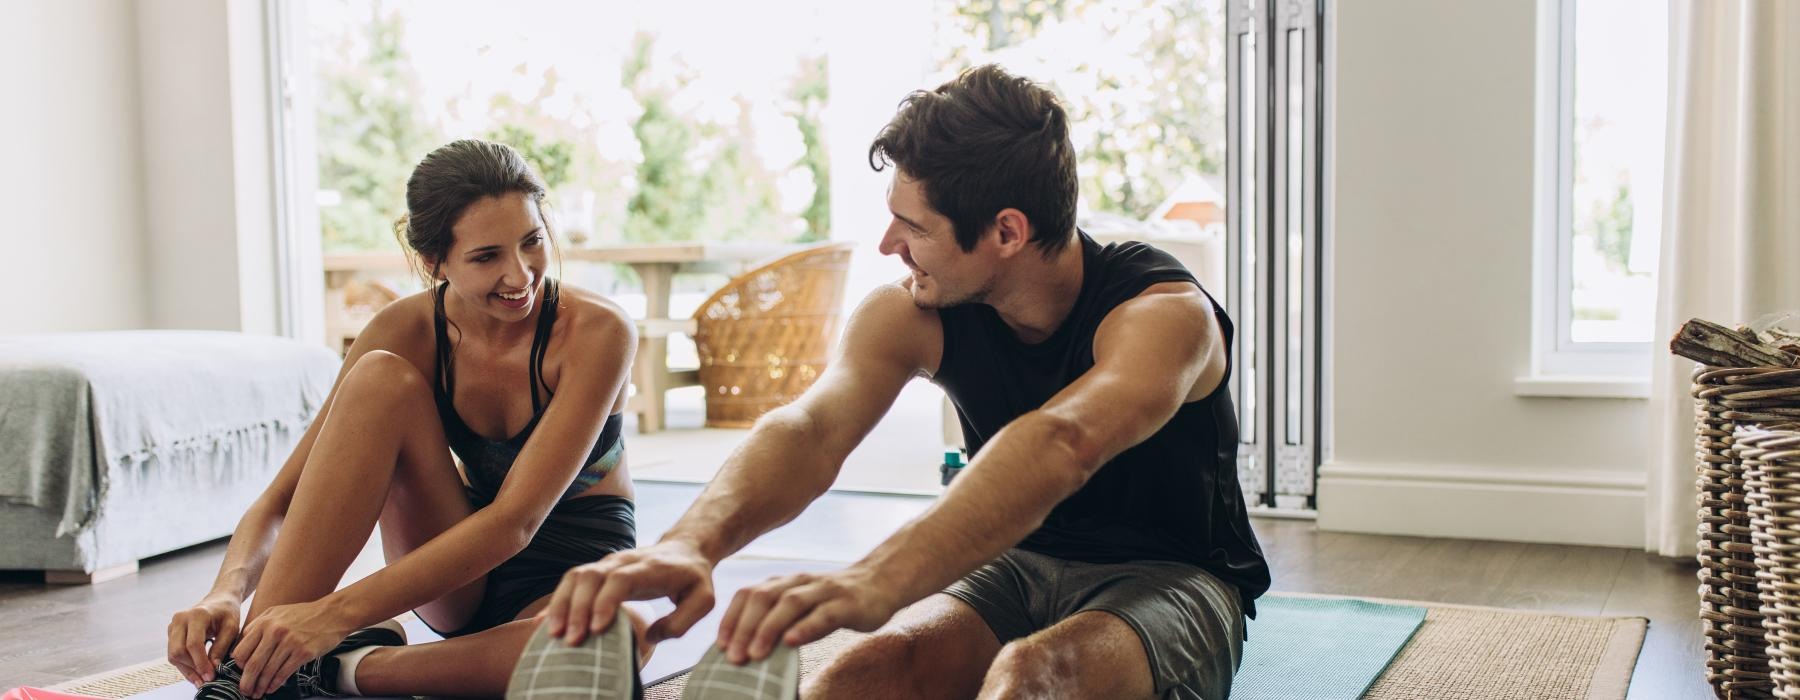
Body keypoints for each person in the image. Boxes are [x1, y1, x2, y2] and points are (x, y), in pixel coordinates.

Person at [532, 64, 1270, 699]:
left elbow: (1063, 442)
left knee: (1037, 676)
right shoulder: (913, 311)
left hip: (1175, 578)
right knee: (864, 676)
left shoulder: (1165, 316)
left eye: (912, 226)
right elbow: (811, 429)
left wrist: (874, 580)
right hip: (1015, 565)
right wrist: (693, 543)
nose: (889, 245)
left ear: (1006, 233)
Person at [165, 140, 649, 700]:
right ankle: (250, 679)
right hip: (455, 570)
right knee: (377, 379)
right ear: (433, 262)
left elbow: (516, 522)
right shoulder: (405, 330)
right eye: (486, 257)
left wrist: (328, 618)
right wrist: (224, 593)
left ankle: (332, 668)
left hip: (570, 573)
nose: (520, 275)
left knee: (616, 644)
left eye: (532, 241)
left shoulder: (598, 333)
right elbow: (282, 499)